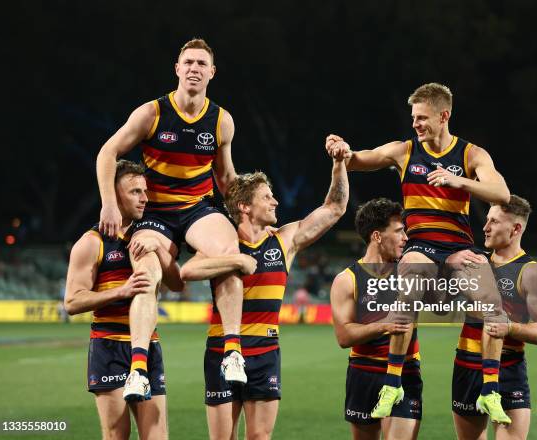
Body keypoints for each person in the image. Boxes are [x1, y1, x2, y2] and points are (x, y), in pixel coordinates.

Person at [326, 82, 512, 423]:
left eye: (423, 117)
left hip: (458, 246)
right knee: (409, 282)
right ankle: (393, 382)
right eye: (414, 117)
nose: (416, 124)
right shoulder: (404, 151)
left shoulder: (471, 154)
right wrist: (342, 151)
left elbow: (501, 193)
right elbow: (360, 160)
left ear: (444, 116)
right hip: (421, 245)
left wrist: (461, 182)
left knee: (493, 306)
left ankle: (489, 390)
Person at [96, 38, 248, 389]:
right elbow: (107, 153)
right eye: (188, 63)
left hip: (198, 208)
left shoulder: (222, 121)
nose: (194, 68)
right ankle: (137, 370)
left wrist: (246, 216)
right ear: (177, 69)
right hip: (157, 212)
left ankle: (233, 353)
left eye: (201, 64)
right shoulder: (152, 113)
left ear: (212, 72)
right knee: (146, 270)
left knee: (229, 255)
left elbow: (226, 178)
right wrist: (108, 203)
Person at [181, 147, 349, 440]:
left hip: (265, 352)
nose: (276, 201)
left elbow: (335, 208)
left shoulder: (285, 240)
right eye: (267, 196)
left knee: (260, 437)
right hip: (223, 350)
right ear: (245, 206)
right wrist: (236, 260)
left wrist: (338, 164)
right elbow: (187, 272)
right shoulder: (220, 244)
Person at [64, 160, 182, 439]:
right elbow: (72, 302)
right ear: (114, 195)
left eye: (145, 191)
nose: (144, 198)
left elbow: (177, 284)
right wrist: (120, 291)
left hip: (148, 346)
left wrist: (160, 250)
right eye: (135, 192)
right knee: (117, 435)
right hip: (109, 348)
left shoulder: (151, 235)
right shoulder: (92, 242)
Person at [448, 195, 537, 440]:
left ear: (516, 228)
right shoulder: (472, 261)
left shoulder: (532, 272)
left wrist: (509, 328)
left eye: (494, 222)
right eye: (487, 220)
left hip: (508, 368)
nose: (485, 227)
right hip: (467, 365)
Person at [330, 198, 422, 440]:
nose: (405, 238)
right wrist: (384, 325)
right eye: (399, 231)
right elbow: (344, 337)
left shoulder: (411, 272)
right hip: (364, 372)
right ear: (377, 236)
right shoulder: (347, 279)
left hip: (405, 370)